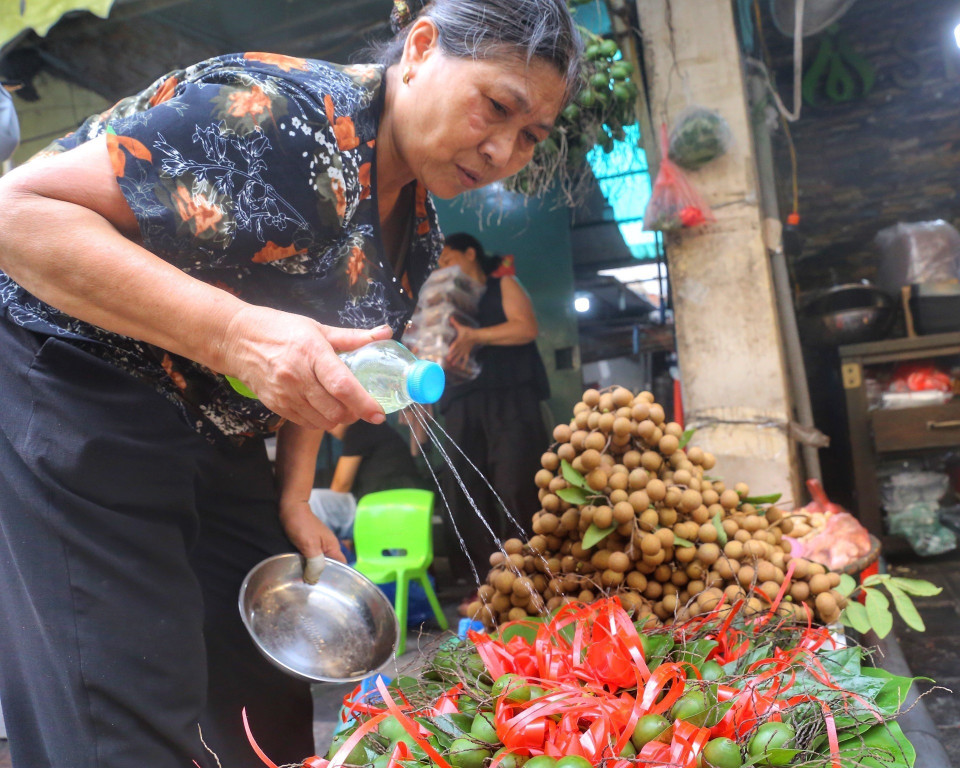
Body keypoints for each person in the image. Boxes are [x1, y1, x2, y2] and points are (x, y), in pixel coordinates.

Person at [0, 1, 582, 766]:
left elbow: (337, 353)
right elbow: (18, 213)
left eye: (530, 136)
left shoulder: (417, 226)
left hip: (216, 417)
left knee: (263, 701)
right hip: (78, 377)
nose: (503, 148)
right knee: (125, 704)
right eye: (496, 106)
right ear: (421, 48)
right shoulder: (279, 117)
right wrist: (236, 335)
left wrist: (294, 493)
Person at [436, 233, 551, 579]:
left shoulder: (504, 285)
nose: (443, 268)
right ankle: (487, 581)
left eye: (448, 259)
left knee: (517, 480)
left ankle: (536, 569)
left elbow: (526, 328)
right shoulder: (443, 303)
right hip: (460, 402)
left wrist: (476, 337)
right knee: (466, 488)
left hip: (510, 397)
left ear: (471, 253)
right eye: (439, 265)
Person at [308, 419, 429, 546]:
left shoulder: (360, 427)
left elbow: (341, 484)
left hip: (384, 510)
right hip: (402, 507)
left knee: (315, 500)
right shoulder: (378, 430)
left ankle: (326, 554)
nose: (328, 428)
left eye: (330, 420)